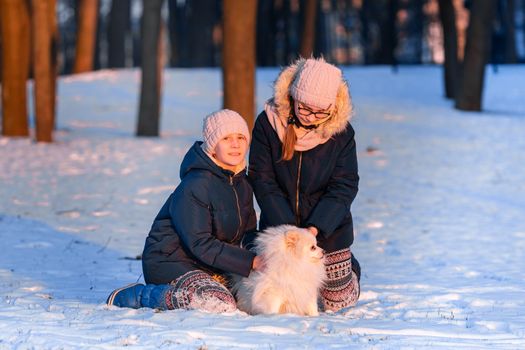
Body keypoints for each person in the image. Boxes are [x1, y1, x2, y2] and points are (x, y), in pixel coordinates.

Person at [107, 109, 263, 313]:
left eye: (241, 137)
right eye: (226, 138)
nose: (235, 144)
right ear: (212, 147)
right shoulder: (196, 184)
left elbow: (248, 234)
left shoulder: (242, 185)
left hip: (212, 265)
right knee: (218, 303)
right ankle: (137, 296)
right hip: (171, 261)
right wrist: (250, 261)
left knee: (252, 297)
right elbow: (200, 243)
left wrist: (263, 257)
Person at [248, 57, 361, 312]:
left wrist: (315, 228)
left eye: (321, 112)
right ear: (293, 97)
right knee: (278, 294)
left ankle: (348, 266)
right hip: (281, 229)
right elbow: (261, 177)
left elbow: (344, 185)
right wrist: (291, 231)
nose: (312, 117)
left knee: (334, 303)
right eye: (306, 109)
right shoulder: (267, 124)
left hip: (327, 231)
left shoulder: (342, 134)